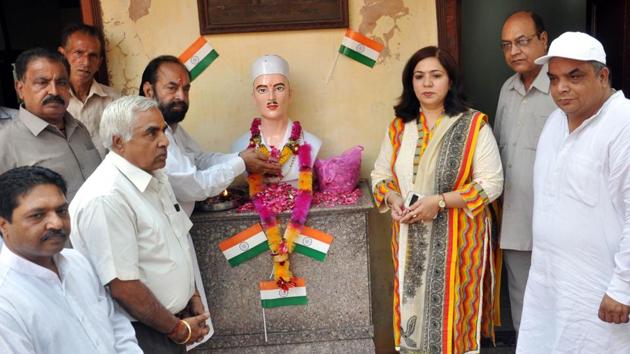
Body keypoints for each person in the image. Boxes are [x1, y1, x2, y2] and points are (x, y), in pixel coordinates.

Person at [370, 46, 503, 353]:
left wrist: (440, 202)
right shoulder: (399, 127)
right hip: (409, 238)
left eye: (436, 76)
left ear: (450, 81)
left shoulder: (473, 125)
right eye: (419, 77)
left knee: (454, 319)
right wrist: (392, 198)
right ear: (410, 83)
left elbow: (492, 183)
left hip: (458, 242)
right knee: (412, 313)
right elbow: (380, 175)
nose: (427, 84)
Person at [69, 96, 211, 353]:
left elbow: (175, 241)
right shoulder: (107, 197)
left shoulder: (155, 175)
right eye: (151, 133)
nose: (165, 141)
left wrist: (192, 296)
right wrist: (177, 329)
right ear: (118, 142)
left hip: (173, 322)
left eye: (164, 130)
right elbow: (124, 287)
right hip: (141, 334)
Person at [517, 32, 630, 353]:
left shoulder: (623, 125)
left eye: (574, 76)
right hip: (550, 284)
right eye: (553, 79)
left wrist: (623, 288)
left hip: (600, 290)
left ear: (603, 75)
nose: (560, 88)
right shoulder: (555, 122)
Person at [0, 166, 141, 353]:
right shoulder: (6, 300)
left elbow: (117, 327)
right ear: (3, 225)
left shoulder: (78, 262)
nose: (57, 223)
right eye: (37, 215)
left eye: (61, 211)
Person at [139, 55, 280, 216]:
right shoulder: (149, 133)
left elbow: (199, 159)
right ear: (149, 91)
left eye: (185, 89)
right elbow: (193, 186)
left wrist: (239, 157)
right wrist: (241, 163)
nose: (181, 96)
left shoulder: (171, 127)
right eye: (172, 88)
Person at [494, 10, 556, 333]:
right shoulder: (507, 89)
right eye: (506, 45)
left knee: (559, 300)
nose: (514, 51)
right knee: (522, 298)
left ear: (543, 40)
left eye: (522, 41)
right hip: (516, 217)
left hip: (558, 219)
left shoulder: (562, 88)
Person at [0, 47, 101, 201]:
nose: (54, 91)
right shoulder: (5, 142)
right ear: (20, 89)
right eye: (42, 82)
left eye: (61, 82)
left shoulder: (78, 128)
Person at [232, 54, 321, 183]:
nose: (271, 97)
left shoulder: (311, 142)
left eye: (279, 88)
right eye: (262, 90)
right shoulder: (241, 146)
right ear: (254, 98)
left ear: (290, 94)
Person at [59, 23, 121, 157]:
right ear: (63, 55)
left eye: (92, 56)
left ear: (99, 63)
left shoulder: (115, 99)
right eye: (78, 53)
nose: (86, 62)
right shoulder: (54, 101)